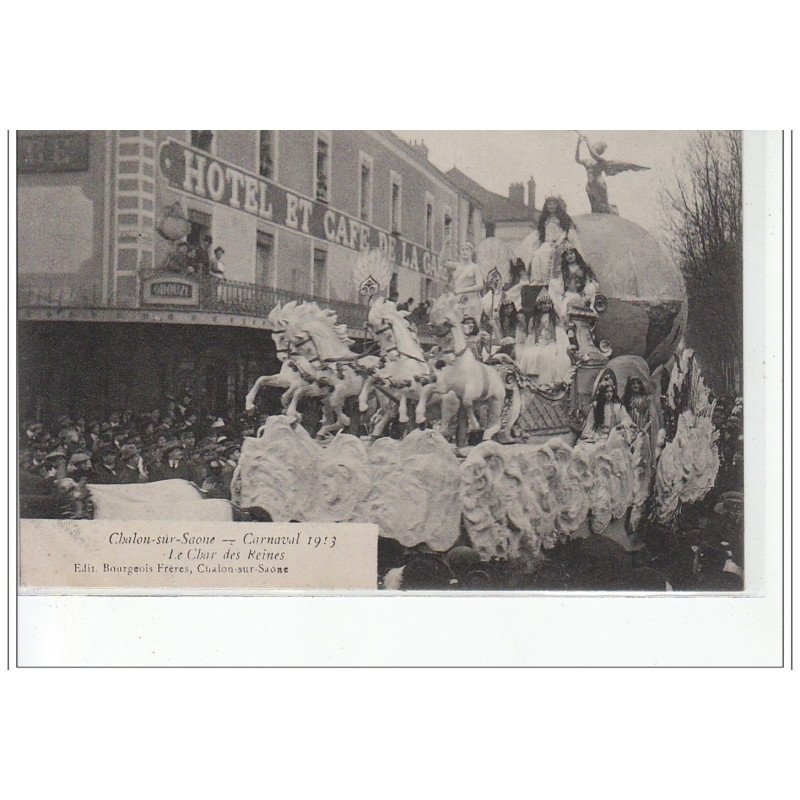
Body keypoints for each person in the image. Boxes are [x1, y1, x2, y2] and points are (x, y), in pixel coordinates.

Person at [515, 291, 573, 387]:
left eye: (549, 303)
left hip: (552, 343)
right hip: (539, 343)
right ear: (539, 305)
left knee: (546, 355)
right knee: (531, 354)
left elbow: (560, 333)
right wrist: (530, 345)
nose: (547, 305)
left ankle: (546, 382)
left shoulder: (554, 318)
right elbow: (532, 335)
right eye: (544, 304)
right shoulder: (534, 319)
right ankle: (533, 379)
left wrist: (561, 346)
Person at [528, 197, 578, 285]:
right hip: (547, 243)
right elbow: (541, 234)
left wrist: (559, 242)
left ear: (557, 206)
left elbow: (566, 231)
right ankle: (539, 280)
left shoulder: (563, 217)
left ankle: (553, 281)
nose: (551, 206)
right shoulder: (544, 219)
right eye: (549, 204)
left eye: (554, 204)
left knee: (552, 254)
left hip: (560, 242)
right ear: (546, 206)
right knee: (538, 254)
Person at [580, 369, 635, 442]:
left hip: (615, 436)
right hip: (599, 436)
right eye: (606, 392)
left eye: (611, 391)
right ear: (602, 393)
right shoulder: (596, 406)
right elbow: (590, 422)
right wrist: (588, 434)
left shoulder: (618, 406)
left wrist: (621, 425)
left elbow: (627, 420)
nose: (609, 394)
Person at [551, 245, 598, 320]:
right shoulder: (562, 269)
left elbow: (592, 282)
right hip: (567, 296)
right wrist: (561, 293)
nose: (569, 256)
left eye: (571, 253)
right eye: (567, 254)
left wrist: (586, 290)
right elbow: (559, 284)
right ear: (565, 257)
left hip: (580, 296)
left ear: (576, 254)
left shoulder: (584, 267)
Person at [446, 242, 484, 323]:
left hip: (471, 300)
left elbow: (480, 285)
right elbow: (442, 262)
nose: (465, 252)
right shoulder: (457, 266)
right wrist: (446, 245)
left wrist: (461, 291)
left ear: (471, 252)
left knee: (470, 324)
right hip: (457, 299)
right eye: (462, 250)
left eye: (467, 249)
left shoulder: (475, 267)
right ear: (460, 252)